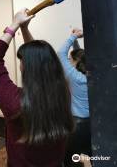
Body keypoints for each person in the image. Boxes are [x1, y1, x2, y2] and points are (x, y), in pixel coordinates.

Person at [0, 9, 74, 167]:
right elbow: (40, 61)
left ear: (25, 67)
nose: (20, 64)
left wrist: (15, 24)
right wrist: (24, 29)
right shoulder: (63, 93)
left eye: (21, 61)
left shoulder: (14, 101)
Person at [58, 29, 91, 167]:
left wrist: (73, 36)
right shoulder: (92, 76)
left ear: (77, 62)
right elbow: (81, 56)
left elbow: (60, 54)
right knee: (87, 155)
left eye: (71, 60)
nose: (69, 62)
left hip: (77, 125)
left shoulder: (74, 77)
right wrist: (76, 43)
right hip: (91, 123)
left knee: (72, 159)